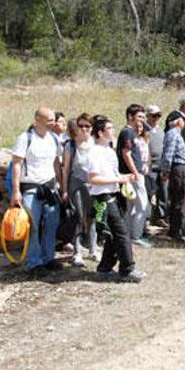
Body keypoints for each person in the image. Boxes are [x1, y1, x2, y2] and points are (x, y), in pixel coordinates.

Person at [84, 115, 145, 283]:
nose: (113, 131)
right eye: (109, 129)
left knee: (112, 234)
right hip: (102, 198)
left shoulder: (109, 150)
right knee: (121, 233)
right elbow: (92, 179)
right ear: (100, 132)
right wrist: (119, 180)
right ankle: (127, 269)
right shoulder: (94, 152)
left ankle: (104, 267)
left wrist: (124, 177)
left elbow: (112, 174)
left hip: (113, 195)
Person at [10, 107, 63, 276]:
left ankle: (48, 258)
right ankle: (34, 262)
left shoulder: (54, 139)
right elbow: (17, 165)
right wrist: (16, 191)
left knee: (51, 224)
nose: (53, 123)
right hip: (31, 189)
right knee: (32, 226)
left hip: (50, 188)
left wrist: (61, 185)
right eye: (49, 120)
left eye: (53, 119)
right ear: (38, 120)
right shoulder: (25, 139)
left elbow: (56, 163)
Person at [61, 113, 99, 267]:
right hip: (76, 185)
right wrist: (64, 189)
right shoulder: (71, 145)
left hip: (94, 185)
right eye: (81, 125)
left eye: (87, 126)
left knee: (93, 216)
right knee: (78, 217)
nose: (84, 129)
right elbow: (66, 169)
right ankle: (77, 252)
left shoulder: (96, 143)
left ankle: (93, 248)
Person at [118, 105, 152, 247]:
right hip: (133, 175)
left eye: (143, 117)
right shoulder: (127, 132)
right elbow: (126, 154)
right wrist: (136, 172)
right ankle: (135, 236)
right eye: (139, 117)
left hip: (135, 173)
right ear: (130, 117)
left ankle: (128, 234)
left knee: (132, 207)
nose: (142, 120)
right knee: (141, 205)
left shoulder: (133, 133)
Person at [160, 115, 185, 244]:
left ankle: (174, 229)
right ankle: (177, 231)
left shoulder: (173, 134)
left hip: (179, 168)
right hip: (179, 169)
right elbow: (169, 153)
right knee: (181, 201)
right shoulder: (173, 134)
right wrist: (166, 170)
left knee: (177, 200)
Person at [145, 105, 167, 227]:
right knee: (149, 193)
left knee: (163, 193)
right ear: (148, 115)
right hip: (150, 167)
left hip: (161, 166)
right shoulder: (144, 130)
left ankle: (160, 216)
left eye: (158, 115)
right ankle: (147, 218)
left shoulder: (160, 130)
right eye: (154, 115)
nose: (156, 118)